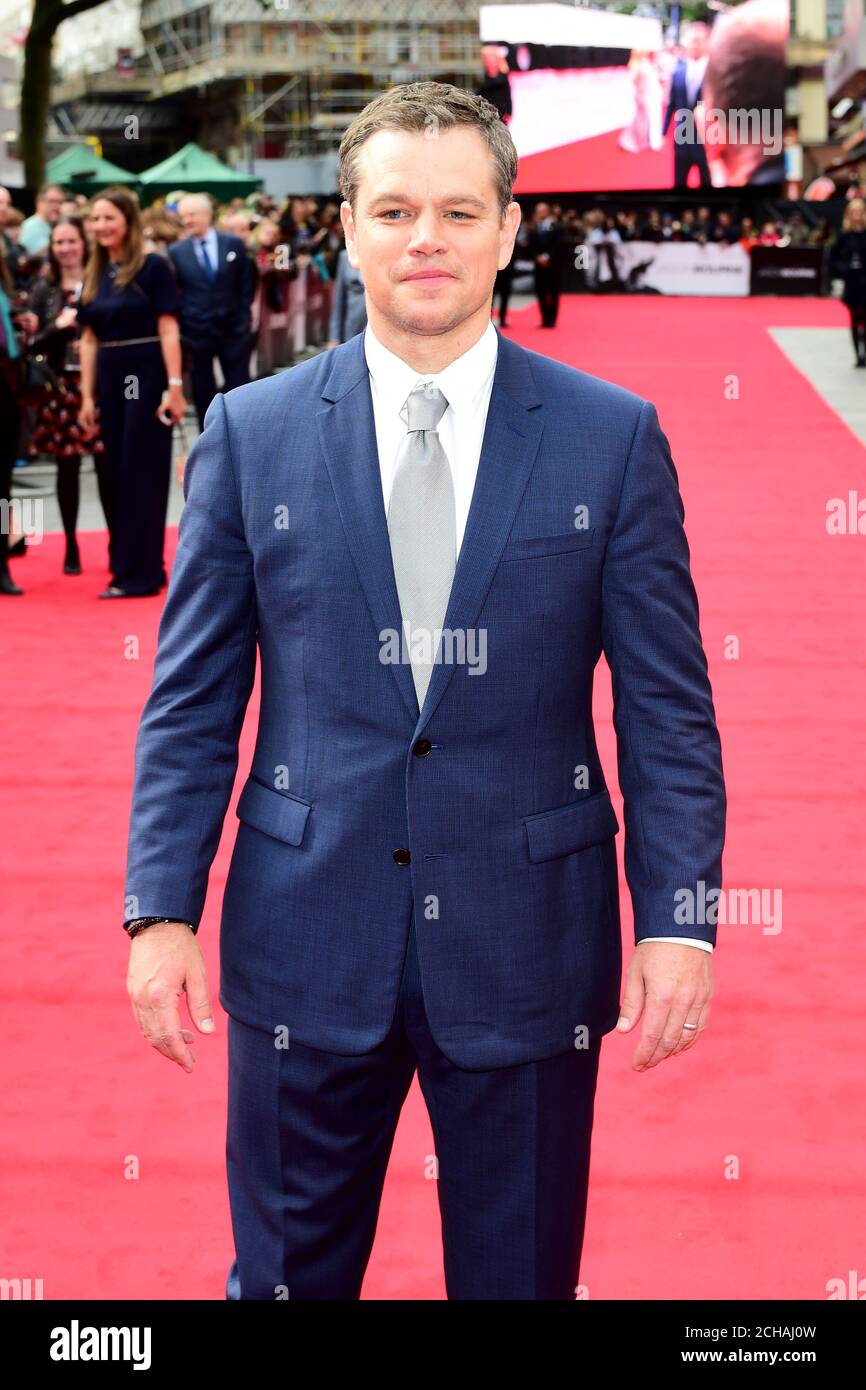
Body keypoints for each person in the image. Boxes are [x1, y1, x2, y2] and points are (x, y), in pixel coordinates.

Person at [123, 81, 725, 1301]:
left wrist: (678, 915)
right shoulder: (250, 432)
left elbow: (666, 708)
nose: (426, 239)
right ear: (345, 226)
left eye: (459, 209)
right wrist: (158, 906)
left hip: (528, 947)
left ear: (509, 228)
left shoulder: (611, 439)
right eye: (394, 209)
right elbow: (191, 701)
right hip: (302, 936)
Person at [77, 186, 187, 598]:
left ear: (128, 221)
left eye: (109, 218)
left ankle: (144, 571)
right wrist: (87, 396)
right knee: (113, 474)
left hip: (146, 374)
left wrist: (174, 388)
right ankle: (123, 568)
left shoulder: (153, 267)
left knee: (143, 472)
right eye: (96, 219)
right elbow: (87, 339)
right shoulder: (95, 270)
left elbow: (168, 327)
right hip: (108, 377)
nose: (101, 226)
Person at [27, 216, 111, 574]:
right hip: (61, 387)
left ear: (84, 242)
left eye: (71, 241)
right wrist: (57, 328)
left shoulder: (102, 281)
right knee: (67, 466)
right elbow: (33, 344)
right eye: (59, 243)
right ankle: (72, 544)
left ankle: (115, 540)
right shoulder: (42, 290)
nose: (65, 249)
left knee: (108, 465)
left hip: (102, 383)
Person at [168, 194, 253, 430]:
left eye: (192, 215)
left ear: (207, 215)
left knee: (239, 385)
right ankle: (208, 437)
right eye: (183, 215)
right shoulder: (176, 251)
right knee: (202, 388)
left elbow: (245, 282)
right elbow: (178, 290)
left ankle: (242, 432)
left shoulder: (232, 243)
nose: (187, 220)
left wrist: (244, 318)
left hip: (233, 328)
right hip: (197, 332)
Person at [662, 22, 711, 189]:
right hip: (682, 139)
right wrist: (663, 132)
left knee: (708, 183)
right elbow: (672, 104)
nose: (694, 45)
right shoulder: (678, 71)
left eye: (698, 40)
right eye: (692, 41)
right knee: (679, 183)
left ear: (707, 42)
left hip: (708, 141)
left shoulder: (715, 71)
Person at [830, 199, 866, 367]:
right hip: (852, 281)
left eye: (860, 211)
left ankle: (864, 352)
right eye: (854, 212)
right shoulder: (844, 235)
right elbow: (834, 259)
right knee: (854, 318)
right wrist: (845, 269)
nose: (857, 215)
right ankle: (857, 356)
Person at [527, 201, 563, 327]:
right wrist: (537, 257)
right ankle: (544, 319)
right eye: (537, 210)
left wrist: (547, 256)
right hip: (539, 265)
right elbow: (530, 245)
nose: (539, 213)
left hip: (552, 265)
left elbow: (559, 244)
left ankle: (552, 320)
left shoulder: (556, 226)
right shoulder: (534, 227)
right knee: (540, 292)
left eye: (541, 210)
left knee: (553, 293)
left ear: (547, 211)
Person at [18, 183, 65, 257]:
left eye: (60, 202)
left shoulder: (52, 225)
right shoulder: (31, 226)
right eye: (52, 201)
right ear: (39, 201)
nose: (56, 206)